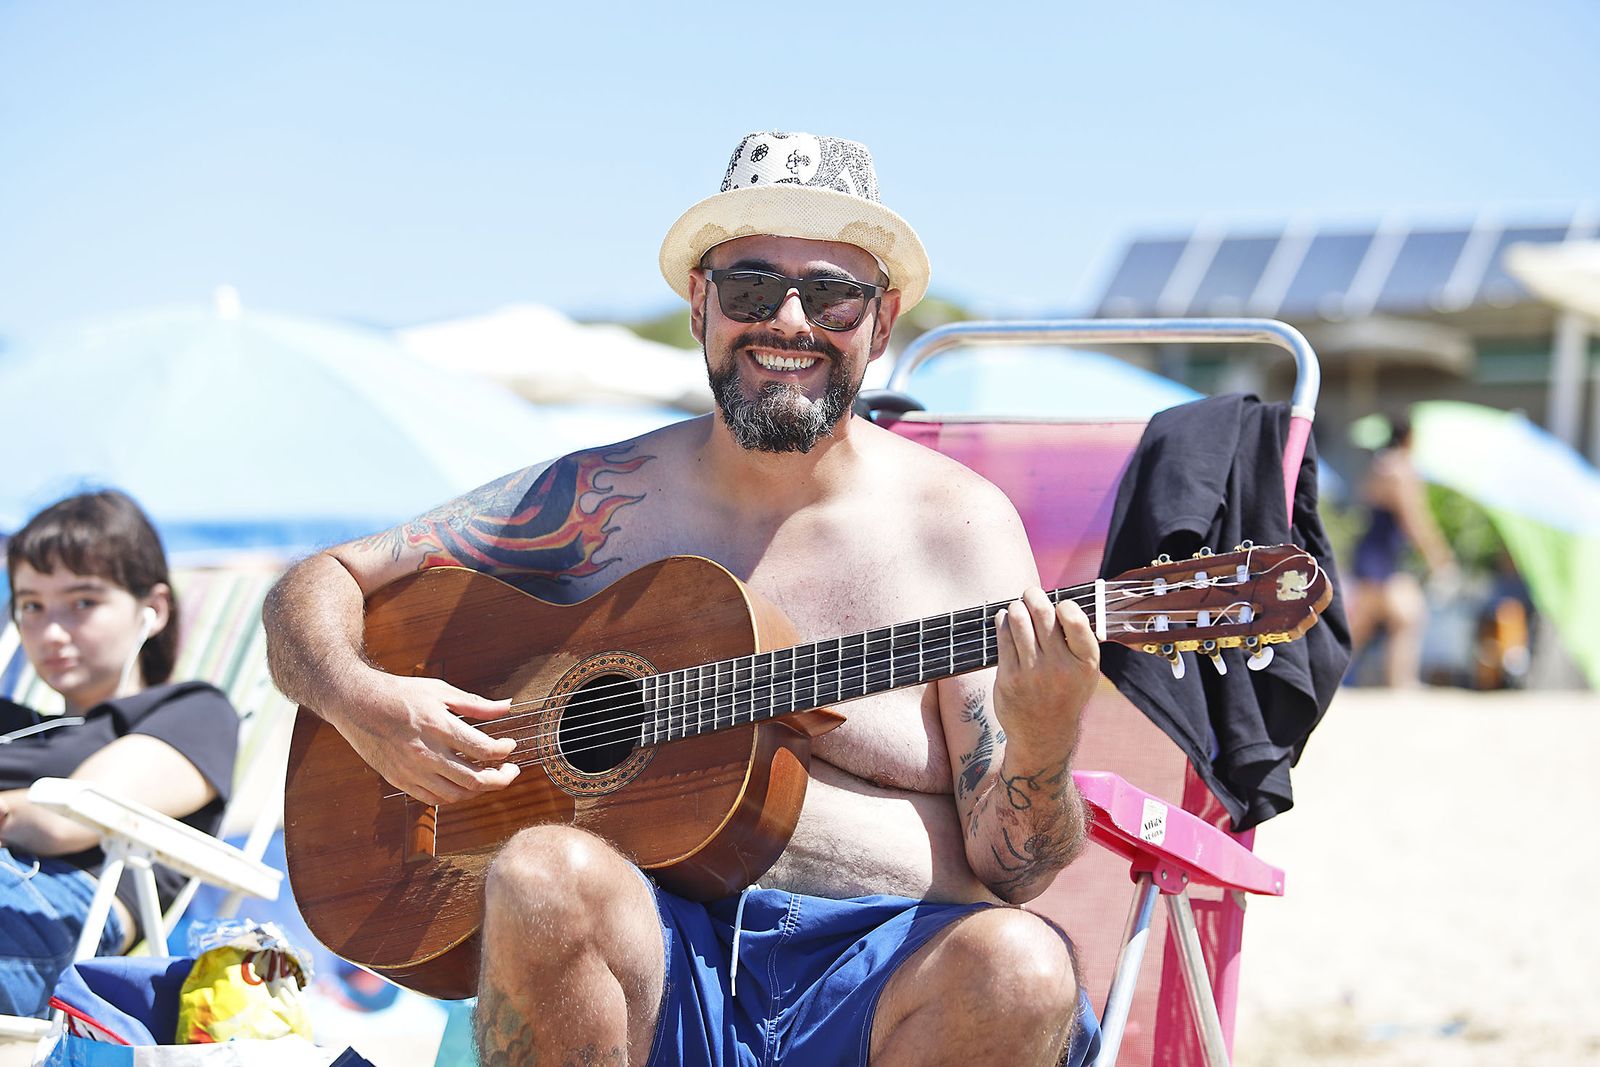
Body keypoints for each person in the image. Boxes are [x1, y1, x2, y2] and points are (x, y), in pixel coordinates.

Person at [264, 131, 1101, 1066]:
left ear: (883, 318)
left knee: (1023, 965)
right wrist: (356, 695)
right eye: (751, 288)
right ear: (702, 301)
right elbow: (321, 581)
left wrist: (1042, 741)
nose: (790, 321)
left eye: (830, 293)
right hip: (651, 966)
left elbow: (1014, 868)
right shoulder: (598, 499)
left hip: (881, 983)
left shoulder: (962, 530)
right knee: (543, 870)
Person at [0, 490, 239, 1018]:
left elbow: (61, 819)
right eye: (31, 606)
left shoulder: (191, 711)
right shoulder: (12, 721)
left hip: (45, 907)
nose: (52, 631)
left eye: (82, 602)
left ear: (152, 609)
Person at [1347, 418, 1458, 688]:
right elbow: (1415, 521)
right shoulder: (1400, 470)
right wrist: (1440, 558)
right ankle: (1400, 683)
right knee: (1400, 619)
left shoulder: (1380, 467)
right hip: (1381, 558)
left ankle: (1392, 682)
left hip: (1373, 554)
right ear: (1410, 437)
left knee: (1371, 624)